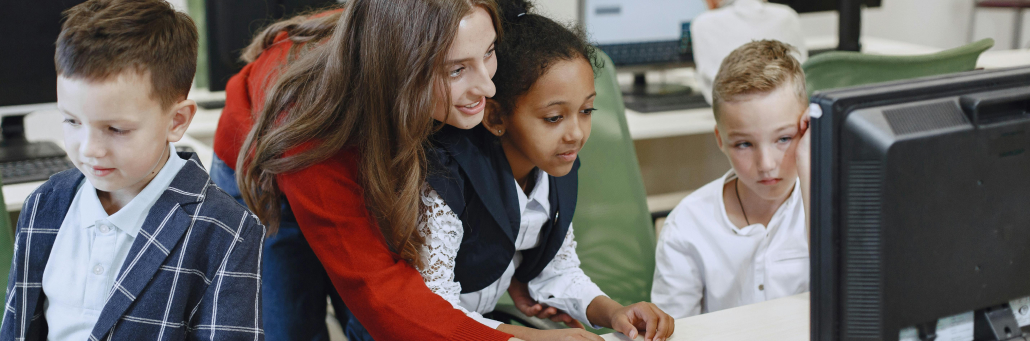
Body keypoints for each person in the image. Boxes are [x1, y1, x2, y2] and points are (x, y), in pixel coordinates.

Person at [224, 0, 521, 339]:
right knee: (291, 321)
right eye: (455, 70)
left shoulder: (412, 54)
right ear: (401, 70)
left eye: (488, 52)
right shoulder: (314, 145)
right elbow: (379, 296)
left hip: (362, 133)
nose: (489, 88)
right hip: (268, 163)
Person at [0, 0, 265, 339]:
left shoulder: (228, 232)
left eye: (116, 129)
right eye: (71, 121)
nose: (89, 149)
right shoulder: (43, 206)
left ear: (177, 121)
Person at [420, 2, 676, 341]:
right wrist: (536, 339)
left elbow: (556, 271)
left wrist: (615, 312)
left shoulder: (554, 167)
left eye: (587, 110)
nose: (576, 133)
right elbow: (432, 310)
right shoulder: (447, 180)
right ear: (495, 118)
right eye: (554, 118)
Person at [651, 40, 811, 319]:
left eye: (784, 138)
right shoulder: (687, 226)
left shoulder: (833, 206)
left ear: (807, 129)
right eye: (744, 145)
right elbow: (671, 330)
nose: (766, 165)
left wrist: (811, 163)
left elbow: (858, 307)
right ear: (720, 140)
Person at [691, 0, 808, 104]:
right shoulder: (788, 16)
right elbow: (801, 79)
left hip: (731, 115)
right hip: (789, 113)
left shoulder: (703, 23)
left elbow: (711, 92)